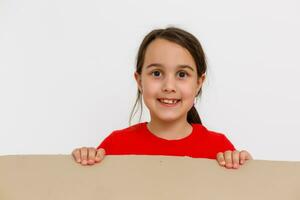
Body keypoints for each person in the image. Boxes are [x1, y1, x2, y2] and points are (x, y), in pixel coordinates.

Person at [72, 27, 252, 169]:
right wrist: (85, 161)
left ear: (199, 83)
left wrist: (248, 168)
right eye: (157, 73)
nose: (169, 86)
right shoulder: (116, 145)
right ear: (139, 81)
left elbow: (245, 190)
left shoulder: (219, 149)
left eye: (182, 74)